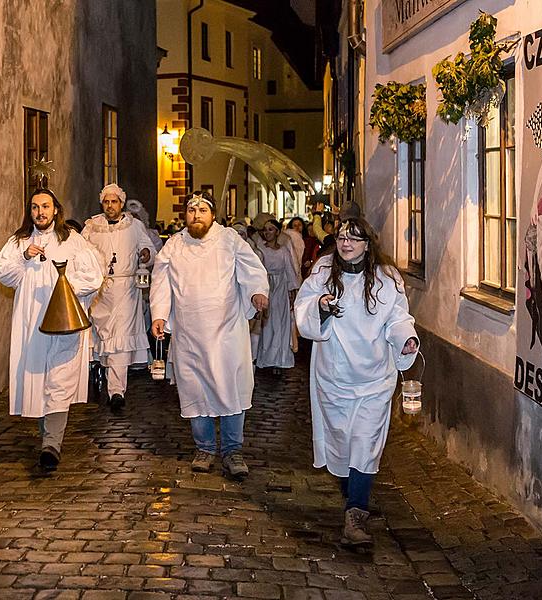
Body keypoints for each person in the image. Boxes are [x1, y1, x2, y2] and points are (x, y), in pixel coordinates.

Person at [295, 217, 419, 546]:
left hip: (375, 377)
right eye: (341, 237)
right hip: (334, 375)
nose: (346, 243)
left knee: (365, 443)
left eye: (354, 238)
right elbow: (303, 305)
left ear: (368, 243)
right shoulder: (323, 271)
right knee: (342, 443)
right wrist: (320, 306)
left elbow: (397, 316)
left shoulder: (386, 277)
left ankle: (356, 514)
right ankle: (353, 490)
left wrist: (405, 338)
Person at [151, 191, 270, 479]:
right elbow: (161, 281)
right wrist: (159, 314)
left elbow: (252, 269)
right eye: (192, 210)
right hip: (189, 334)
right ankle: (204, 448)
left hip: (226, 332)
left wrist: (256, 292)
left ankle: (233, 450)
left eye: (202, 210)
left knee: (231, 389)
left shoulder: (229, 240)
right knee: (196, 390)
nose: (196, 215)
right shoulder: (174, 245)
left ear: (212, 214)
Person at [0, 189, 103, 471]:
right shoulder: (19, 241)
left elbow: (94, 276)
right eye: (34, 207)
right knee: (39, 378)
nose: (40, 212)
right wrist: (23, 258)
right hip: (31, 322)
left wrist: (66, 287)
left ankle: (52, 443)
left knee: (59, 378)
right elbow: (1, 272)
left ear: (55, 210)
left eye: (45, 206)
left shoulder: (73, 241)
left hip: (63, 320)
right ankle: (47, 438)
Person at [82, 184, 156, 410]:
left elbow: (149, 249)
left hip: (126, 290)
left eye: (114, 202)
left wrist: (145, 254)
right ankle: (98, 373)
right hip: (100, 290)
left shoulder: (134, 226)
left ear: (121, 204)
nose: (110, 206)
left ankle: (117, 390)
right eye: (106, 202)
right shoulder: (92, 227)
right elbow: (80, 253)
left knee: (121, 341)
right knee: (100, 337)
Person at [251, 219, 301, 372]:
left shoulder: (284, 251)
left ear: (278, 232)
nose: (267, 233)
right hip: (265, 287)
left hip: (280, 289)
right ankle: (266, 358)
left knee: (280, 323)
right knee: (267, 325)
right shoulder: (260, 250)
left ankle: (279, 358)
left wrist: (292, 290)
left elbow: (290, 270)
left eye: (271, 229)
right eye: (265, 229)